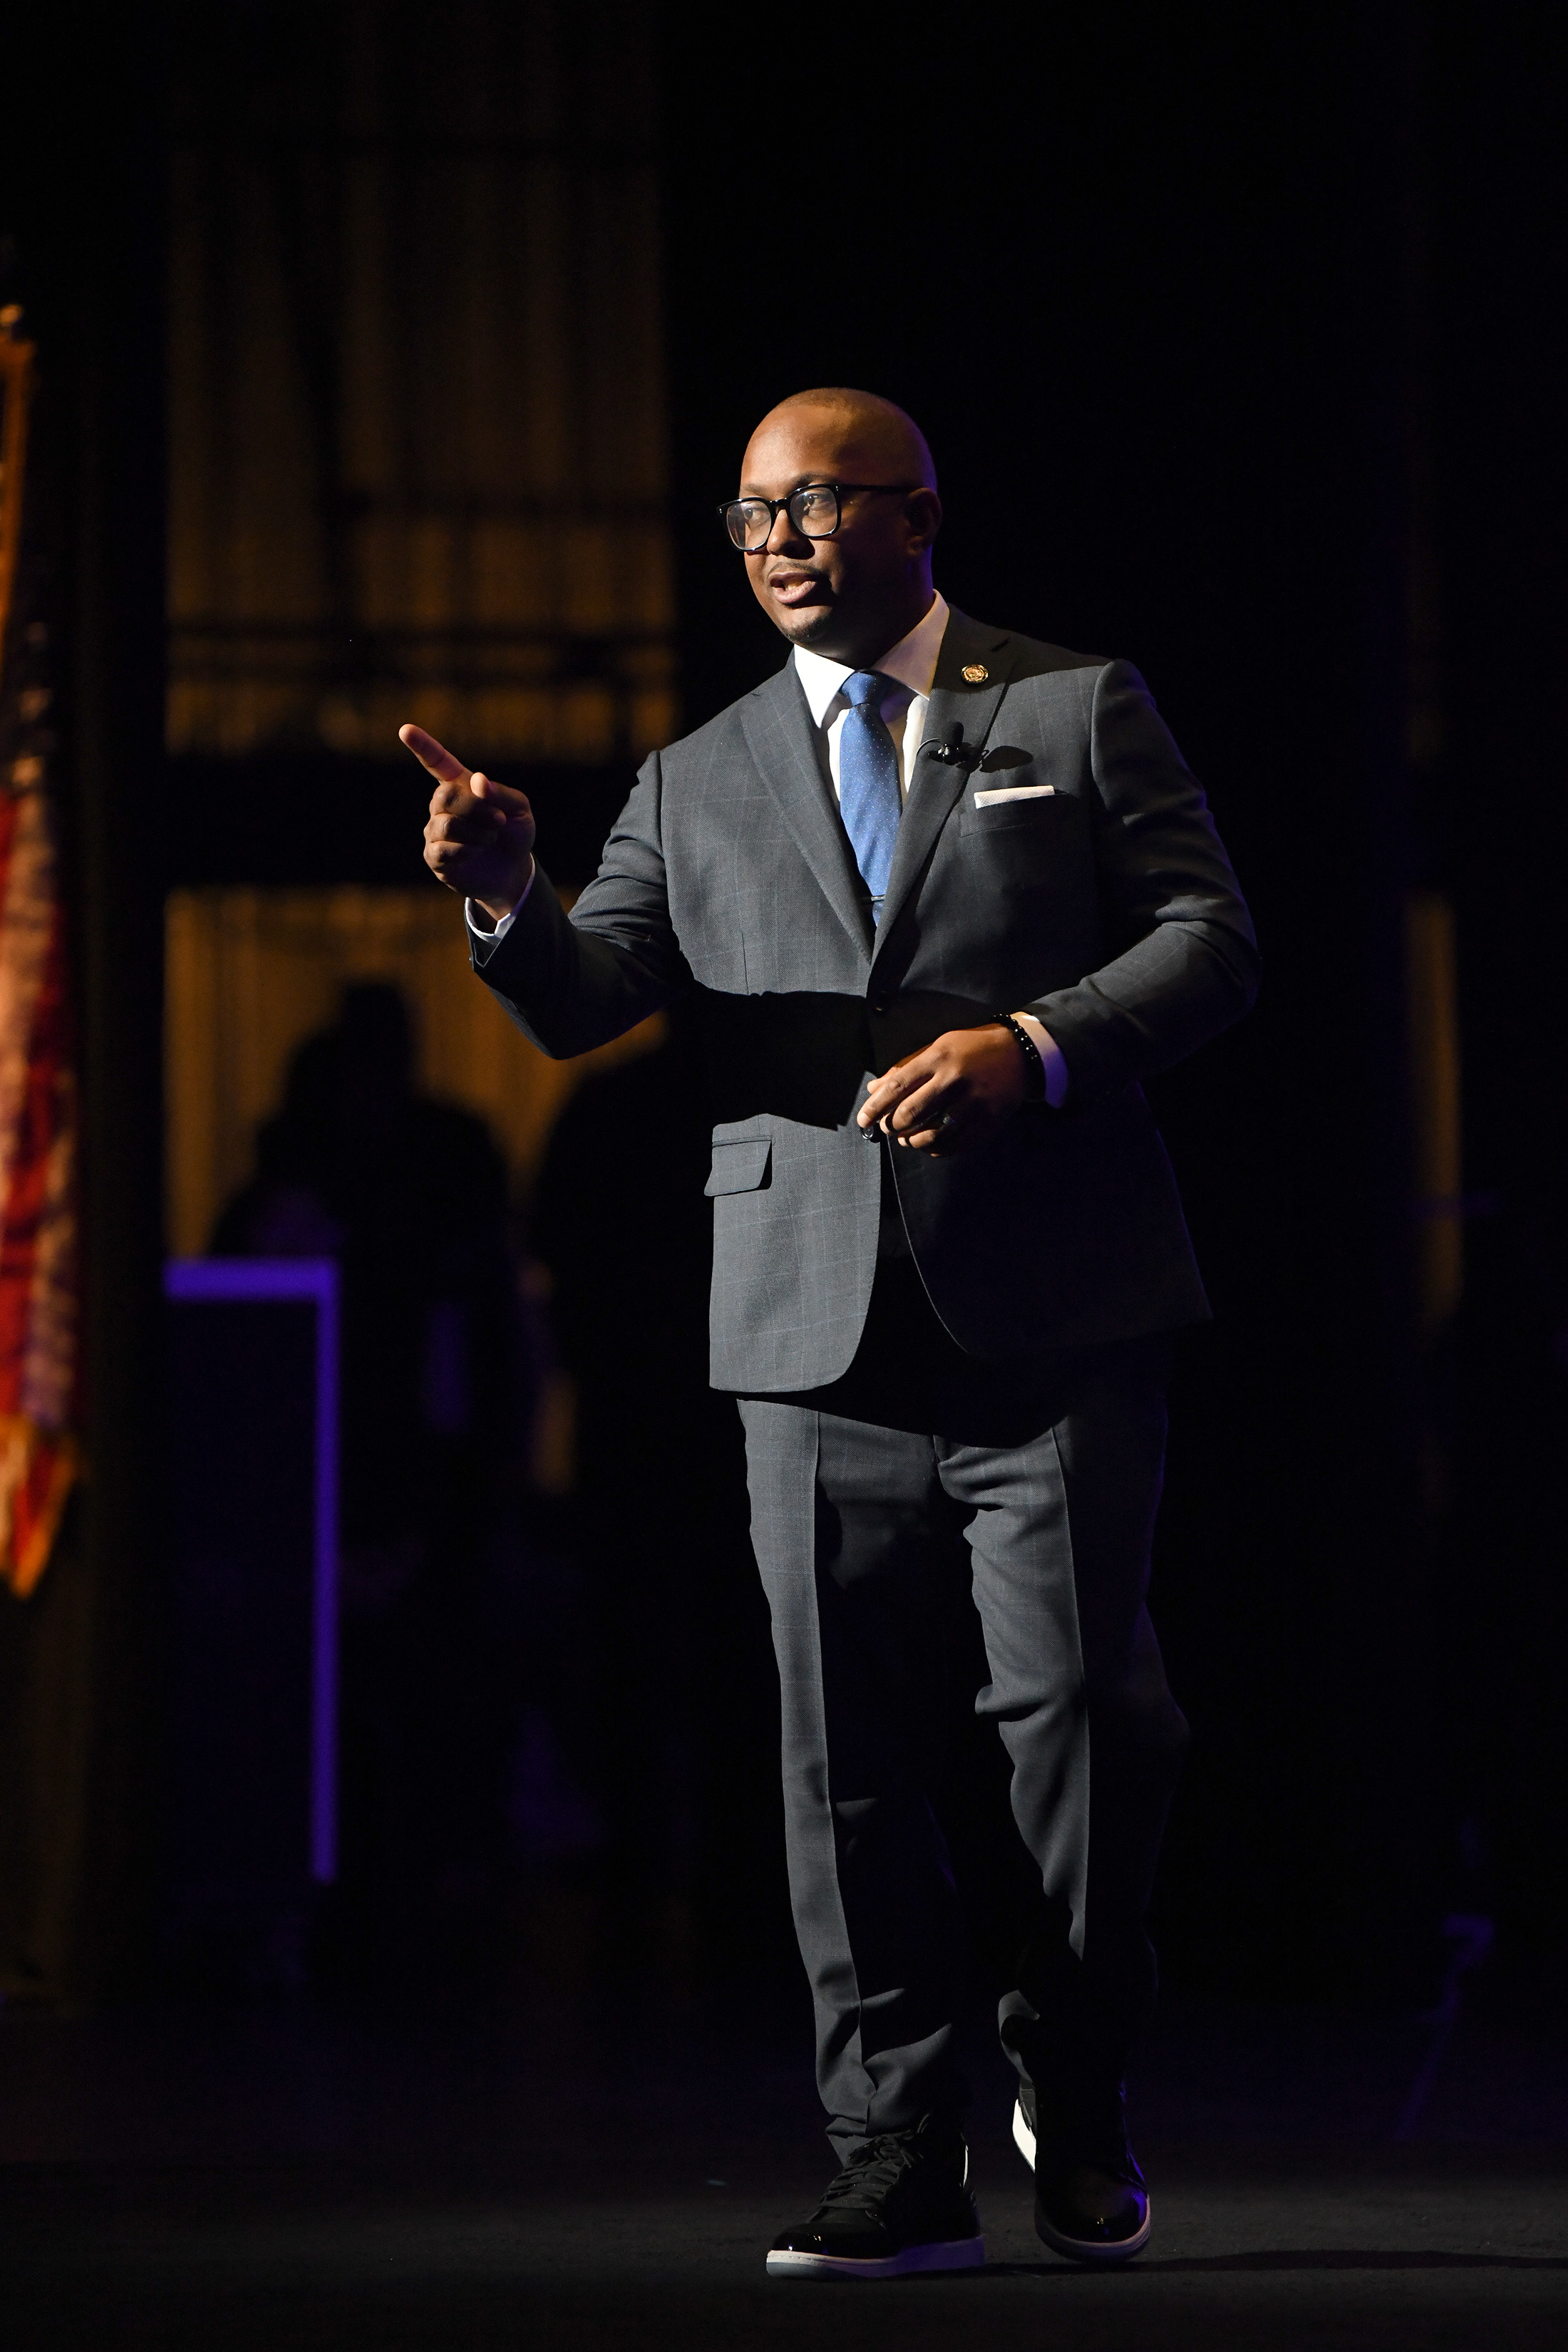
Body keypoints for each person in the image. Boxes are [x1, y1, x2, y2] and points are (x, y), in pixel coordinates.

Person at [401, 388, 1259, 2279]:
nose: (779, 538)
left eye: (815, 504)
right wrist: (502, 897)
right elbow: (582, 998)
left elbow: (1212, 939)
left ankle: (1079, 2064)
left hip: (1059, 1308)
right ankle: (897, 2153)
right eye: (751, 515)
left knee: (1094, 1719)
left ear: (919, 513)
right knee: (837, 1751)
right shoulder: (699, 771)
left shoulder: (1068, 706)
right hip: (806, 1324)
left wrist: (1034, 1050)